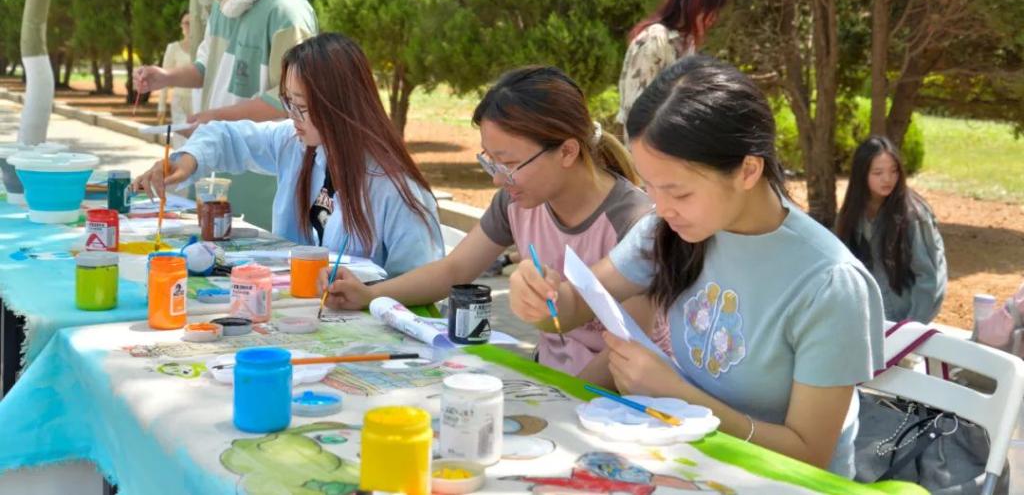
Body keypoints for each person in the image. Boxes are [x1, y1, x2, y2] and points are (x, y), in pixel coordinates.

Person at [509, 55, 885, 477]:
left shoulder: (829, 284)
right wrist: (540, 298)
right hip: (686, 463)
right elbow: (573, 306)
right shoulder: (669, 229)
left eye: (679, 192)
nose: (661, 207)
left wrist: (678, 396)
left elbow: (809, 455)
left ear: (748, 170)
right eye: (651, 188)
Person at [319, 66, 662, 382]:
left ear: (567, 152)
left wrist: (563, 397)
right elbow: (454, 270)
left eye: (508, 163)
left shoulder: (634, 224)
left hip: (612, 397)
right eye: (490, 161)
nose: (498, 180)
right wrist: (369, 294)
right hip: (551, 381)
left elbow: (625, 347)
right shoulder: (517, 202)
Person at [133, 33, 443, 277]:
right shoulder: (298, 144)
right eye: (288, 102)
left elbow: (422, 285)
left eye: (301, 106)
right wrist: (187, 161)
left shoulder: (394, 189)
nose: (292, 116)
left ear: (339, 105)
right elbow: (226, 136)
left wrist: (368, 296)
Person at [132, 0, 318, 229]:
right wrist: (166, 77)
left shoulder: (287, 12)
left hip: (261, 186)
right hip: (212, 171)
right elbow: (206, 69)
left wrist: (216, 118)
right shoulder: (226, 4)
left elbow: (290, 102)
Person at [835, 136, 947, 324]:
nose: (887, 179)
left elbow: (929, 277)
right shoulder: (851, 214)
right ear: (861, 174)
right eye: (878, 173)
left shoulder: (913, 215)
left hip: (904, 319)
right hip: (866, 318)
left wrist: (913, 326)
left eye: (893, 171)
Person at [617, 0, 730, 134]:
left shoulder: (687, 43)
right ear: (686, 2)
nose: (713, 18)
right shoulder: (654, 39)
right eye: (708, 9)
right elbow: (636, 110)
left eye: (716, 11)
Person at [157, 11, 197, 148]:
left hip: (197, 101)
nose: (189, 27)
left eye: (192, 23)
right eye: (186, 23)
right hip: (179, 101)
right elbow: (164, 78)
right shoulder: (173, 48)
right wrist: (161, 105)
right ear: (181, 26)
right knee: (181, 140)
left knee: (195, 141)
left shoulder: (202, 48)